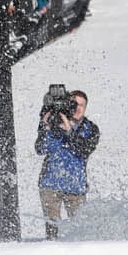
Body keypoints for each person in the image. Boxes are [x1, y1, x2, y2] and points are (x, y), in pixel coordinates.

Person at [35, 88, 100, 239]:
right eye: (74, 104)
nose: (77, 108)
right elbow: (40, 149)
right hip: (50, 184)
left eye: (81, 105)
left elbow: (84, 150)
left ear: (86, 108)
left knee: (80, 231)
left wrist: (69, 130)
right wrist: (45, 126)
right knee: (52, 231)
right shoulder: (53, 124)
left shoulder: (91, 129)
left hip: (76, 187)